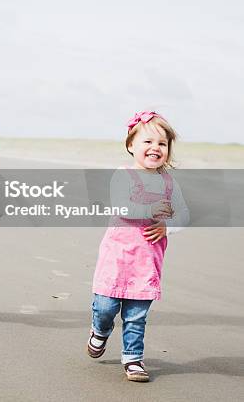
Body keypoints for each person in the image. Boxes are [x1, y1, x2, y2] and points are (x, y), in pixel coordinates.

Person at [86, 111, 189, 382]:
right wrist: (150, 208)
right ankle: (100, 330)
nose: (155, 148)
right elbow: (122, 206)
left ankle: (133, 359)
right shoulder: (124, 175)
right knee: (106, 306)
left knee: (136, 315)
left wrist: (168, 226)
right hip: (116, 258)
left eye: (162, 144)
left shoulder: (169, 183)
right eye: (148, 142)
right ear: (131, 145)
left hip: (146, 262)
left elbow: (184, 214)